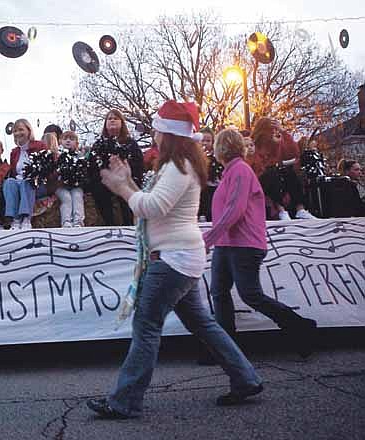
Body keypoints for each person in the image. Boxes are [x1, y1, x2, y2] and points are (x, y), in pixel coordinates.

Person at [86, 101, 262, 419]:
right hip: (181, 258)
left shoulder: (178, 166)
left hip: (173, 260)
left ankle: (124, 400)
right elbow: (152, 203)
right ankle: (246, 378)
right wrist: (126, 184)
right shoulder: (179, 165)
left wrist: (122, 188)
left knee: (147, 324)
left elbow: (152, 208)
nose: (152, 135)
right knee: (203, 325)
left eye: (156, 129)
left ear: (168, 134)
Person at [201, 129, 317, 363]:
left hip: (244, 243)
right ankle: (226, 349)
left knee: (250, 294)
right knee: (219, 292)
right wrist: (216, 238)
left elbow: (236, 208)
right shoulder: (230, 172)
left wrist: (209, 237)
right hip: (227, 243)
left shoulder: (241, 171)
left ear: (221, 148)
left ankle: (300, 327)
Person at [251, 118, 316, 221]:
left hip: (274, 176)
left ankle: (300, 209)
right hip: (257, 179)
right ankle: (281, 210)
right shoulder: (253, 146)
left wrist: (282, 132)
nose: (274, 133)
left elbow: (294, 153)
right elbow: (258, 165)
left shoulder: (275, 143)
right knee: (272, 173)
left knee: (289, 172)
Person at [89, 109, 144, 226]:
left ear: (122, 123)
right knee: (98, 189)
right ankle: (110, 224)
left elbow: (139, 164)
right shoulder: (98, 144)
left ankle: (128, 225)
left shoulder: (130, 143)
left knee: (126, 192)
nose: (112, 120)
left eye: (115, 118)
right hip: (105, 181)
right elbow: (92, 165)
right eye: (109, 118)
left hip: (127, 179)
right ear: (105, 124)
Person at [3, 119, 47, 230]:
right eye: (15, 131)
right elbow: (13, 173)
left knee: (26, 181)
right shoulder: (14, 152)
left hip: (36, 184)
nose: (18, 133)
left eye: (21, 129)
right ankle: (15, 219)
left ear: (29, 130)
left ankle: (26, 217)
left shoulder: (39, 146)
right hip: (18, 182)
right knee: (9, 182)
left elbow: (47, 167)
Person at [55, 131, 85, 227]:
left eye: (71, 139)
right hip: (61, 186)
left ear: (77, 143)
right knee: (66, 198)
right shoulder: (57, 156)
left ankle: (78, 221)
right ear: (60, 142)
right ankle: (66, 221)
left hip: (76, 186)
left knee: (77, 196)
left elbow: (84, 172)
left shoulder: (80, 157)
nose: (68, 141)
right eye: (65, 139)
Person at [198, 127, 221, 221]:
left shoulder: (216, 158)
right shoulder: (195, 157)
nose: (205, 143)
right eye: (202, 140)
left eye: (208, 141)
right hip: (199, 191)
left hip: (212, 190)